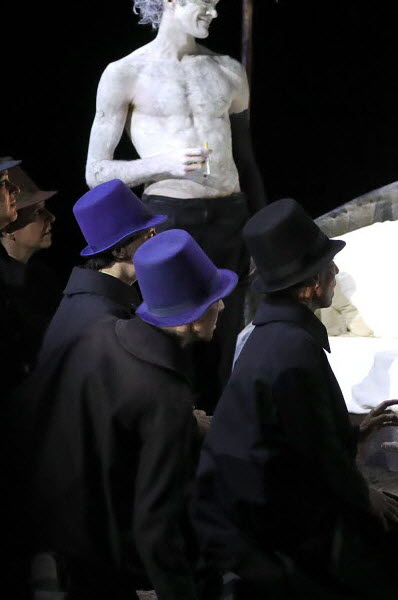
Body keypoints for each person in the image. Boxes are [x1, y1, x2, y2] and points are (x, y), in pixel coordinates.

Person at [195, 199, 398, 598]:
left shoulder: (273, 336)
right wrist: (365, 497)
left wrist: (353, 433)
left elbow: (298, 432)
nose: (336, 272)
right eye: (328, 266)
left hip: (270, 501)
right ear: (311, 285)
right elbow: (313, 456)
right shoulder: (291, 350)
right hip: (270, 520)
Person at [86, 0, 266, 411]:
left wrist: (258, 227)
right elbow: (95, 172)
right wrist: (161, 164)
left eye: (217, 2)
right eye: (204, 1)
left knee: (225, 336)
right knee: (173, 335)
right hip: (170, 218)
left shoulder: (227, 70)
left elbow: (245, 158)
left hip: (229, 215)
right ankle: (170, 426)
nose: (214, 12)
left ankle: (220, 433)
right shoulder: (126, 73)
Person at [21, 228, 234, 599]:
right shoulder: (165, 394)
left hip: (57, 527)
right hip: (98, 556)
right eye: (214, 300)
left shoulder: (103, 332)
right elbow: (156, 524)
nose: (223, 307)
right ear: (190, 318)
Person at [39, 179, 167, 359]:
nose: (158, 241)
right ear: (119, 251)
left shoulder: (99, 298)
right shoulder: (104, 317)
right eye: (150, 235)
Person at [1, 166, 63, 397]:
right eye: (38, 213)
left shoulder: (45, 278)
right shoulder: (6, 286)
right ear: (10, 228)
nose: (51, 217)